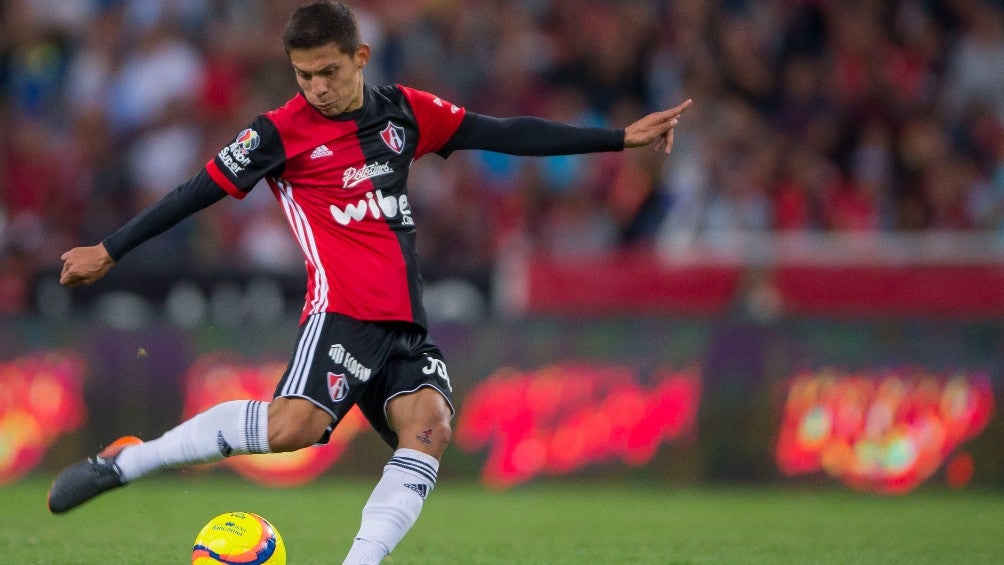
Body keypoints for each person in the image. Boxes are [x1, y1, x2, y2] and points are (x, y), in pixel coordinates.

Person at [46, 1, 693, 563]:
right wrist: (109, 248)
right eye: (305, 76)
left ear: (360, 56)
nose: (318, 87)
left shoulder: (405, 113)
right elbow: (194, 193)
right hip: (342, 310)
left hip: (404, 325)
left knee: (431, 425)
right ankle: (128, 460)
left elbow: (505, 132)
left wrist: (617, 139)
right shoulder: (277, 132)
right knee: (294, 428)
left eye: (329, 71)